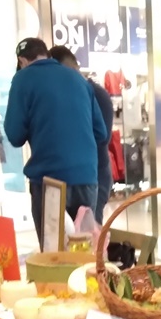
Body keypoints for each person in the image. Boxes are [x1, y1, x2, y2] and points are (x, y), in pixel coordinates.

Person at [4, 38, 107, 248]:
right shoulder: (78, 79)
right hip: (86, 178)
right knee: (85, 252)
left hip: (50, 182)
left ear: (22, 61)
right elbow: (101, 133)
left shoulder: (23, 79)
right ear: (46, 54)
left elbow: (14, 135)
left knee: (54, 256)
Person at [48, 45, 114, 225]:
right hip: (70, 177)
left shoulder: (96, 94)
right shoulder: (63, 96)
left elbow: (103, 138)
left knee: (89, 233)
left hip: (94, 175)